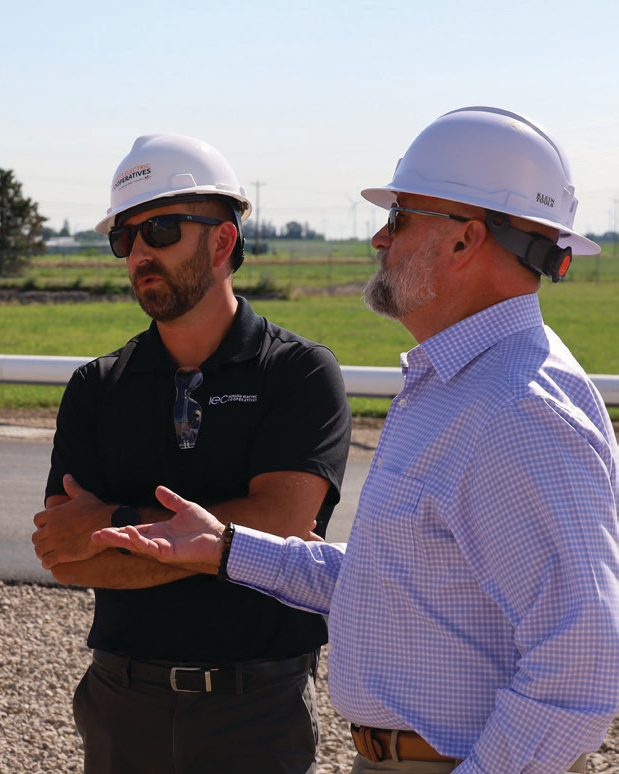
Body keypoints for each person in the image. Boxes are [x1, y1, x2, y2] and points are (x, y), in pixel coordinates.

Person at [92, 107, 619, 774]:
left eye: (398, 218)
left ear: (463, 241)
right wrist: (225, 549)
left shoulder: (515, 409)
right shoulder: (457, 385)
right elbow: (389, 582)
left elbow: (580, 673)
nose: (377, 238)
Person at [32, 133, 352, 773]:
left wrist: (113, 528)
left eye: (162, 229)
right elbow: (67, 554)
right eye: (127, 238)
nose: (140, 253)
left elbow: (285, 522)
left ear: (223, 241)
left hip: (258, 706)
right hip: (124, 704)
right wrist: (231, 547)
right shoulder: (98, 387)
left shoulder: (298, 374)